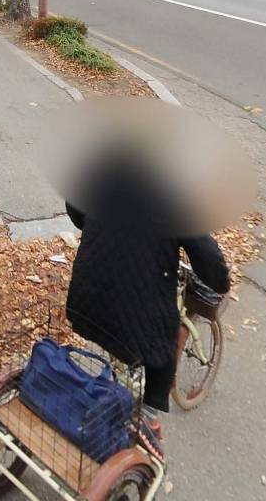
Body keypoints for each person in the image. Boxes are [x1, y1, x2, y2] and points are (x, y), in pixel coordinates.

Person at [63, 139, 231, 429]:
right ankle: (147, 420)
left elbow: (75, 208)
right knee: (161, 344)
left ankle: (114, 384)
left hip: (84, 299)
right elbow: (207, 256)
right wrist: (220, 282)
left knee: (120, 321)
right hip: (129, 319)